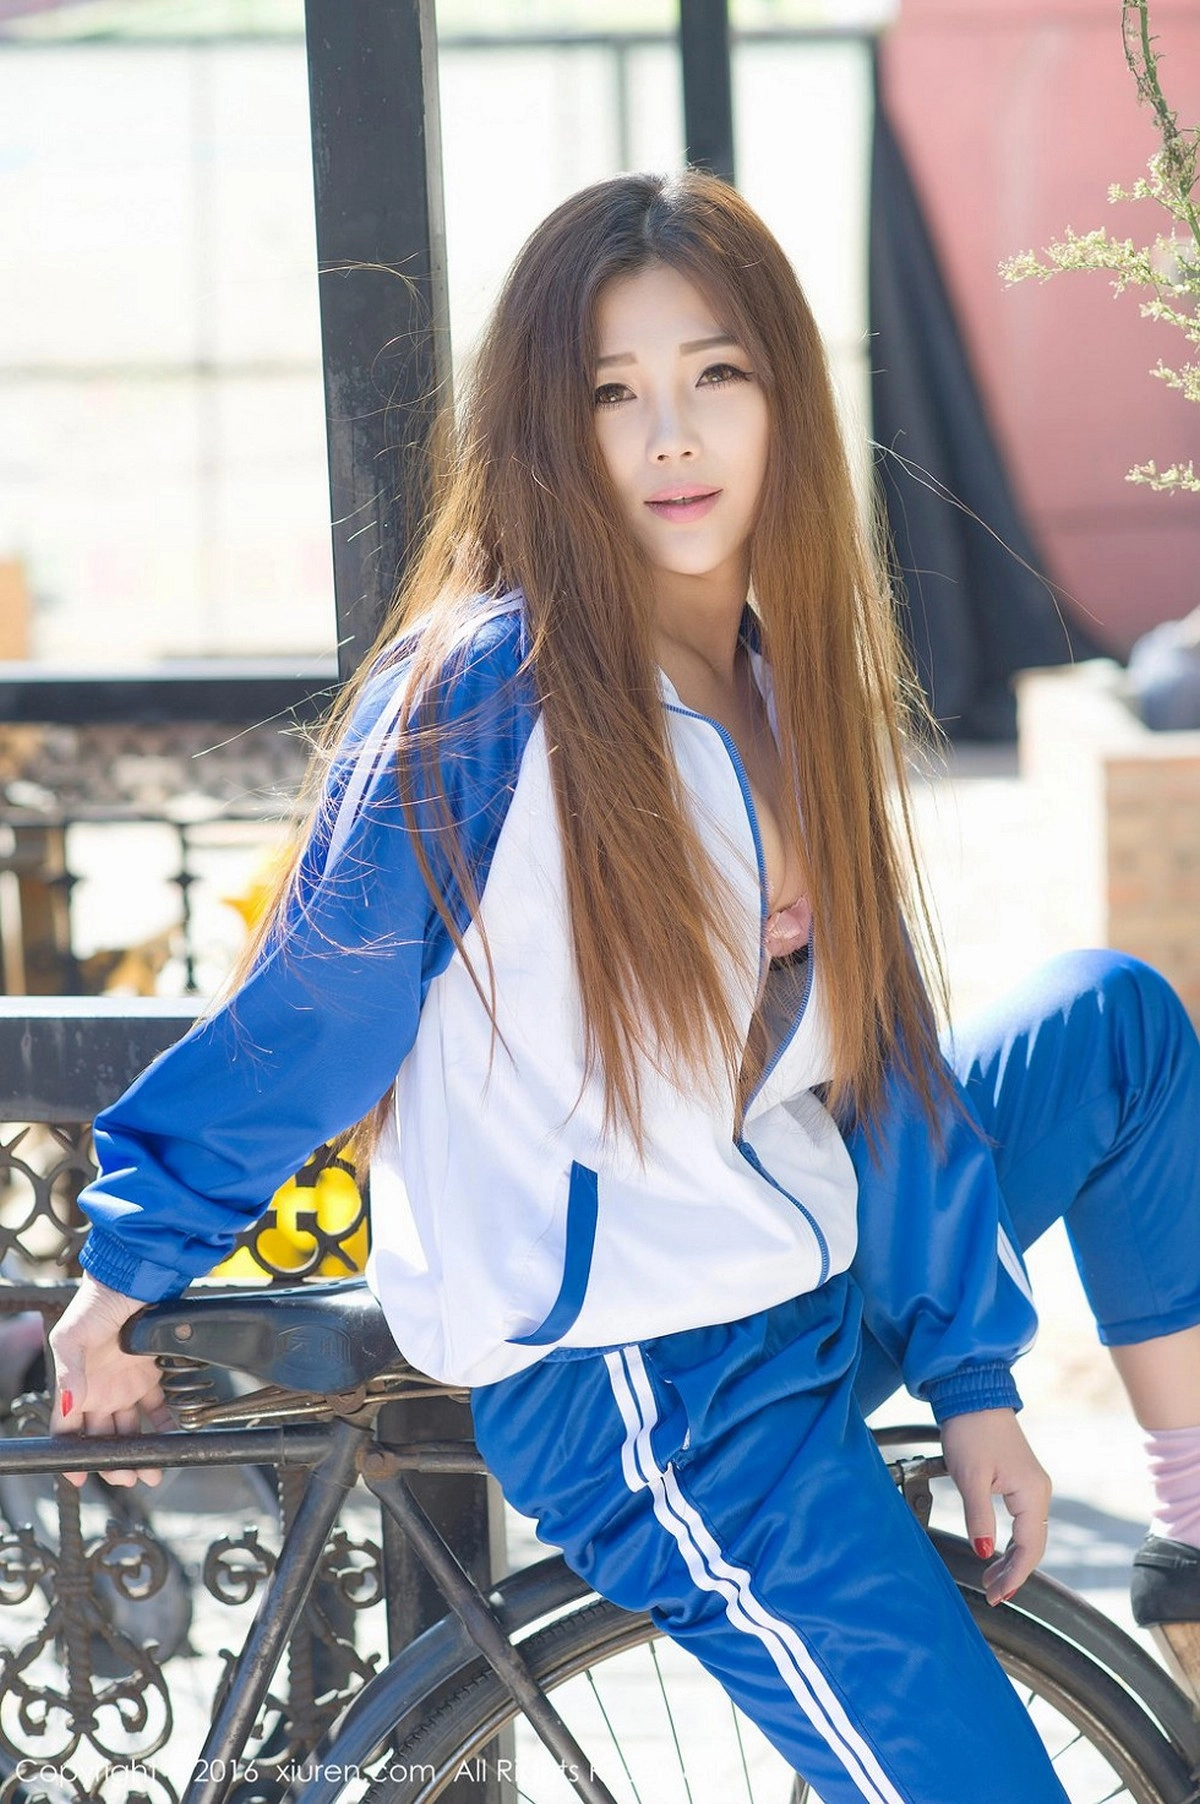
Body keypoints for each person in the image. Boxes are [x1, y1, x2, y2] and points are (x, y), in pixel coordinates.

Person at [48, 172, 1200, 1802]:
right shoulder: (489, 693)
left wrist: (974, 1384)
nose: (672, 436)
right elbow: (317, 1016)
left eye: (717, 375)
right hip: (652, 1384)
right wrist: (125, 1267)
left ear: (784, 399)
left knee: (1113, 1025)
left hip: (800, 1282)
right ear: (550, 425)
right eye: (613, 392)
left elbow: (881, 1063)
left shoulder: (783, 675)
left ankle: (1192, 1558)